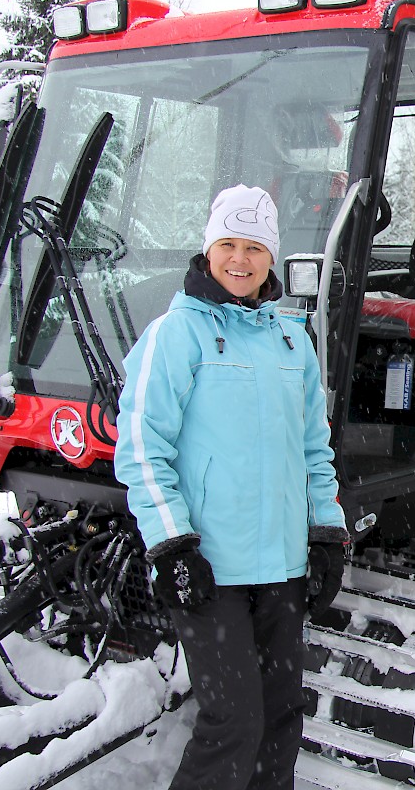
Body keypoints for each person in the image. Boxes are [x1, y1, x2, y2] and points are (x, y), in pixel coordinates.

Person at [114, 185, 349, 790]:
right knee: (233, 720)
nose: (240, 260)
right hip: (210, 568)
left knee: (280, 718)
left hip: (282, 569)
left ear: (272, 257)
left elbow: (313, 451)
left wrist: (326, 535)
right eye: (228, 245)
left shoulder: (292, 341)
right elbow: (142, 449)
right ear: (208, 250)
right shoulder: (175, 335)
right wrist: (172, 547)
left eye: (253, 247)